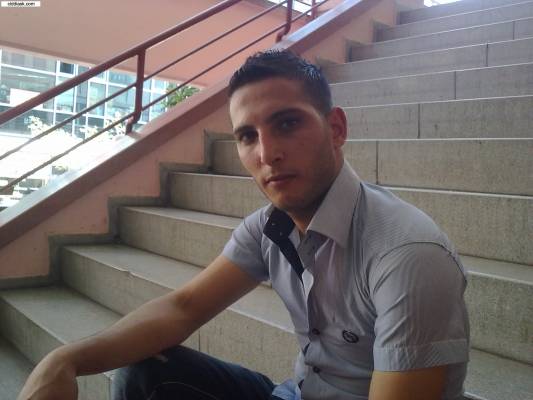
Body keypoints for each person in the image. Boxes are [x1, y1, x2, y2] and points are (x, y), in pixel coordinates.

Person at [18, 50, 469, 400]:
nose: (267, 153)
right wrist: (65, 360)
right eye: (247, 136)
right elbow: (183, 308)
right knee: (146, 374)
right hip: (297, 392)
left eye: (287, 123)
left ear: (335, 128)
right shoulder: (270, 228)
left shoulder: (407, 256)